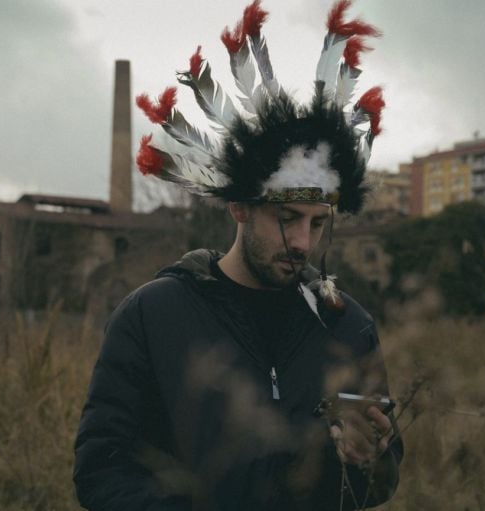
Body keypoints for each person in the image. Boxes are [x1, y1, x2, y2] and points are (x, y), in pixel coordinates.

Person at [74, 1, 403, 509]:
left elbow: (380, 483)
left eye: (318, 223)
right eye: (287, 219)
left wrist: (368, 459)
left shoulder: (347, 325)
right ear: (239, 209)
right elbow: (102, 470)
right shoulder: (152, 315)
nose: (302, 242)